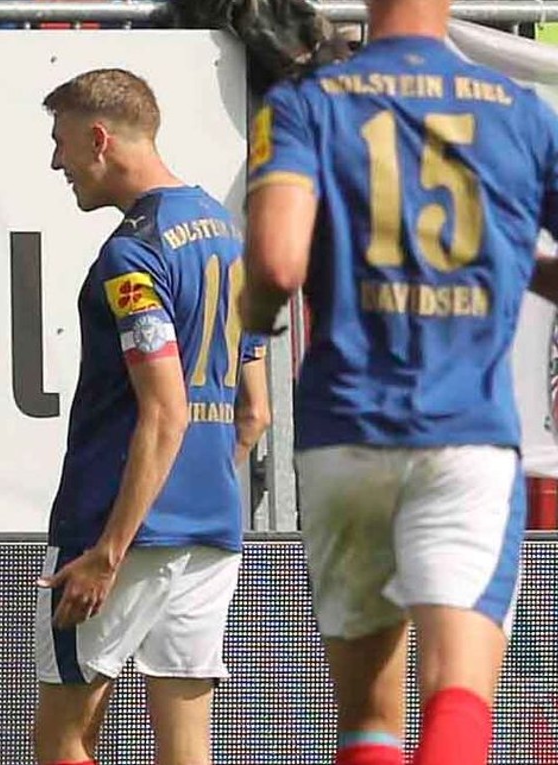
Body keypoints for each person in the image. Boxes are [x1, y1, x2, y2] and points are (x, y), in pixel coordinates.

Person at [240, 1, 558, 762]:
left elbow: (278, 263)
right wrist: (512, 268)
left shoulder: (304, 104)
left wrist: (255, 314)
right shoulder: (521, 112)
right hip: (467, 434)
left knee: (367, 719)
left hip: (343, 429)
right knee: (457, 688)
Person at [34, 68, 270, 765]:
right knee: (186, 745)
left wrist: (108, 550)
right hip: (210, 527)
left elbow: (163, 409)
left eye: (62, 142)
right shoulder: (225, 232)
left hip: (119, 530)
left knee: (63, 737)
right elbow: (253, 411)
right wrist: (202, 483)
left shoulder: (133, 253)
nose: (57, 162)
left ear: (100, 138)